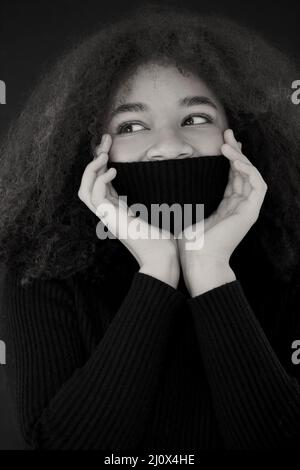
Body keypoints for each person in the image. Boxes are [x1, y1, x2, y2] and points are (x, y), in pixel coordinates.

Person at [0, 3, 300, 451]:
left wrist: (210, 268)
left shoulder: (288, 255)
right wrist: (157, 272)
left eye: (196, 118)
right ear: (93, 151)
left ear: (237, 137)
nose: (169, 147)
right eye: (132, 125)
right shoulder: (40, 271)